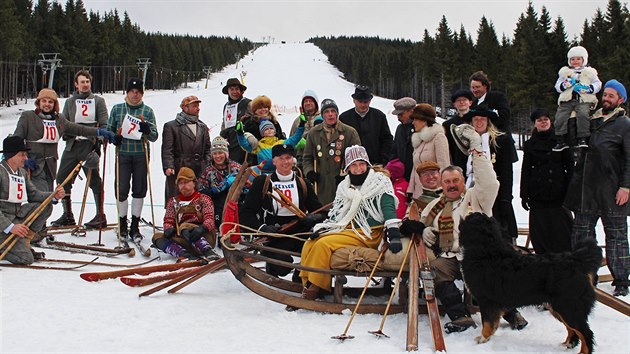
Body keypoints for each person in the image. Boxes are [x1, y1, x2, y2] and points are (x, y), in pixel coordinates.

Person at [402, 124, 527, 333]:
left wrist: (477, 151)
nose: (451, 185)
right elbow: (410, 222)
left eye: (456, 181)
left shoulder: (476, 198)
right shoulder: (435, 206)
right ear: (442, 184)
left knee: (482, 279)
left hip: (478, 256)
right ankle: (460, 316)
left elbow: (490, 183)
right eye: (447, 181)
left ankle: (510, 312)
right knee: (434, 270)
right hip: (451, 256)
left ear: (463, 181)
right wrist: (421, 230)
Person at [299, 145, 401, 300]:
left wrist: (393, 232)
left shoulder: (380, 181)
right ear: (347, 167)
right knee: (310, 242)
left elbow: (388, 207)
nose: (358, 168)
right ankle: (308, 282)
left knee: (323, 245)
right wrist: (324, 227)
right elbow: (338, 213)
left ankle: (314, 287)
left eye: (361, 163)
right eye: (353, 165)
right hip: (347, 229)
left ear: (367, 164)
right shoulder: (344, 185)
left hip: (368, 233)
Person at [565, 79, 630, 297]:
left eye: (612, 95)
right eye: (606, 94)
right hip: (585, 189)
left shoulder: (624, 124)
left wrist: (626, 187)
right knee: (582, 235)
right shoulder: (590, 119)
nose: (607, 98)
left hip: (613, 190)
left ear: (620, 100)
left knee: (616, 236)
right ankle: (584, 276)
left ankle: (621, 280)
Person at [240, 144, 324, 278]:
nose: (285, 162)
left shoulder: (302, 183)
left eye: (288, 158)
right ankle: (273, 268)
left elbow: (321, 211)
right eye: (281, 158)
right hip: (274, 236)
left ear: (293, 159)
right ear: (273, 161)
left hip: (299, 233)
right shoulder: (263, 182)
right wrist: (263, 228)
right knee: (283, 267)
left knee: (320, 251)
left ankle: (301, 276)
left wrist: (314, 217)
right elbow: (246, 213)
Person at [14, 88, 115, 193]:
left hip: (49, 167)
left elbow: (79, 129)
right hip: (33, 166)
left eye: (50, 102)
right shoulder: (28, 117)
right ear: (38, 102)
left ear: (54, 104)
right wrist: (24, 158)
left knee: (47, 202)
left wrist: (99, 132)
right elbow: (16, 139)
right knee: (41, 200)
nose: (47, 104)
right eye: (44, 101)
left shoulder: (59, 119)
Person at [53, 70, 109, 229]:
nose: (85, 85)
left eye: (87, 82)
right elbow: (63, 123)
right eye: (82, 82)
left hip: (89, 145)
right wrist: (65, 135)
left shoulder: (98, 101)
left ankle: (100, 214)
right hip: (72, 145)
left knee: (94, 179)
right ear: (76, 84)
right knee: (62, 178)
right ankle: (67, 214)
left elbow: (104, 124)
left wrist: (97, 147)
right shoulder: (70, 102)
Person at [107, 78, 158, 240]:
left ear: (142, 94)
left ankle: (135, 225)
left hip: (140, 155)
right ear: (127, 92)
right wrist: (115, 138)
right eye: (132, 92)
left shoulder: (148, 111)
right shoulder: (117, 109)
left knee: (139, 189)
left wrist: (147, 130)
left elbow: (155, 136)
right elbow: (109, 131)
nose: (135, 95)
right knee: (121, 189)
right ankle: (122, 223)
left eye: (138, 92)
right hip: (123, 154)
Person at [0, 135, 65, 264]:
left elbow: (34, 194)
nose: (26, 158)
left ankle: (24, 241)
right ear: (11, 155)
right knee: (26, 259)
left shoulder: (22, 173)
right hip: (4, 224)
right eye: (22, 154)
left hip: (17, 217)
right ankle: (4, 247)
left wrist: (53, 195)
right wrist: (10, 227)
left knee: (46, 206)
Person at [520, 109, 573, 254]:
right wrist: (523, 195)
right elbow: (526, 170)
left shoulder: (561, 140)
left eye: (545, 119)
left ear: (550, 121)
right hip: (538, 194)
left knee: (562, 232)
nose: (543, 122)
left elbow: (569, 167)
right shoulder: (530, 144)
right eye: (539, 120)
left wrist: (570, 192)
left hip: (558, 193)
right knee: (541, 233)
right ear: (535, 124)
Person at [463, 109, 519, 241]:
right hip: (471, 192)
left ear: (488, 121)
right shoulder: (465, 142)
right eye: (475, 119)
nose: (479, 122)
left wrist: (506, 197)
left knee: (499, 233)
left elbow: (506, 172)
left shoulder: (501, 141)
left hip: (496, 194)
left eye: (482, 119)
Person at [302, 99, 361, 205]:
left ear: (337, 113)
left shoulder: (349, 132)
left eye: (333, 111)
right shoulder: (313, 133)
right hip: (321, 184)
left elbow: (357, 159)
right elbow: (307, 158)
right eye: (326, 112)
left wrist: (347, 174)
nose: (330, 115)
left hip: (344, 183)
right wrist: (309, 172)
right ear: (323, 115)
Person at [152, 167, 219, 261]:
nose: (183, 185)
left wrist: (202, 228)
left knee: (184, 225)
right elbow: (168, 219)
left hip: (204, 236)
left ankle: (208, 251)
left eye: (186, 182)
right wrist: (168, 229)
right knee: (157, 237)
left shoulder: (204, 199)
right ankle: (184, 254)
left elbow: (210, 219)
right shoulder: (173, 201)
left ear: (194, 183)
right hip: (184, 238)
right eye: (181, 183)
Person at [161, 95, 211, 202]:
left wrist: (206, 164)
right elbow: (167, 149)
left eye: (198, 106)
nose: (198, 108)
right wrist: (168, 166)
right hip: (179, 168)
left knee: (198, 200)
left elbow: (208, 148)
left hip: (199, 169)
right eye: (194, 106)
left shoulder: (202, 127)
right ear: (184, 107)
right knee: (177, 199)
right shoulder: (171, 126)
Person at [553, 46, 602, 151]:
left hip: (583, 100)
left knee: (583, 115)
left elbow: (598, 84)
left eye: (578, 59)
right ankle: (560, 139)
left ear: (584, 59)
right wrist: (564, 85)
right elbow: (557, 86)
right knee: (560, 117)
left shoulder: (589, 72)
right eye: (573, 59)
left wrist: (589, 89)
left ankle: (582, 137)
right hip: (567, 100)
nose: (575, 61)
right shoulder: (565, 72)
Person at [339, 85, 393, 165]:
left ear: (370, 101)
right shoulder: (344, 118)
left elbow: (387, 139)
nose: (363, 105)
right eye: (360, 102)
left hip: (376, 163)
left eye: (365, 102)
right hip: (353, 165)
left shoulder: (379, 116)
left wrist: (384, 159)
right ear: (354, 100)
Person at [407, 103, 450, 199]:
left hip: (435, 192)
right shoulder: (418, 141)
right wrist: (410, 190)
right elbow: (415, 168)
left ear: (425, 120)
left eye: (416, 119)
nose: (413, 122)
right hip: (418, 193)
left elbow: (444, 165)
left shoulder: (438, 137)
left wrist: (442, 190)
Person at [198, 136, 241, 231]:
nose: (218, 156)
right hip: (216, 204)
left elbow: (247, 184)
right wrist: (214, 191)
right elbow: (201, 191)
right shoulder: (208, 171)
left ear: (226, 154)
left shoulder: (236, 167)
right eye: (215, 153)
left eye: (220, 153)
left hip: (236, 201)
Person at [236, 114, 305, 172]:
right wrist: (240, 133)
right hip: (263, 174)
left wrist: (301, 125)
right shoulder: (259, 146)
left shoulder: (281, 143)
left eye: (271, 128)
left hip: (280, 173)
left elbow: (295, 138)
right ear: (262, 133)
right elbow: (244, 145)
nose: (269, 130)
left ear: (274, 131)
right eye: (266, 129)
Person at [220, 78, 251, 164]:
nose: (234, 92)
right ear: (228, 91)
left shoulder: (248, 103)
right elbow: (224, 123)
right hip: (230, 143)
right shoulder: (226, 106)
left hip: (244, 143)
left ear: (241, 91)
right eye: (231, 89)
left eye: (237, 89)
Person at [443, 89, 474, 173]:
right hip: (457, 163)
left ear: (470, 102)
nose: (462, 102)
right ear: (454, 104)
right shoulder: (447, 125)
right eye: (458, 100)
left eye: (464, 100)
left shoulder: (476, 121)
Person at [289, 90, 320, 171]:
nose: (308, 103)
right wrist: (297, 143)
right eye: (306, 101)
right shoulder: (297, 121)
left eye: (311, 101)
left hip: (318, 155)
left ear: (316, 103)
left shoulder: (322, 118)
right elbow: (290, 140)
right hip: (301, 155)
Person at [390, 97, 417, 180]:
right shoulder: (399, 129)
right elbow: (394, 152)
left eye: (401, 114)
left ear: (411, 111)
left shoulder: (422, 128)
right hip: (402, 177)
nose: (398, 118)